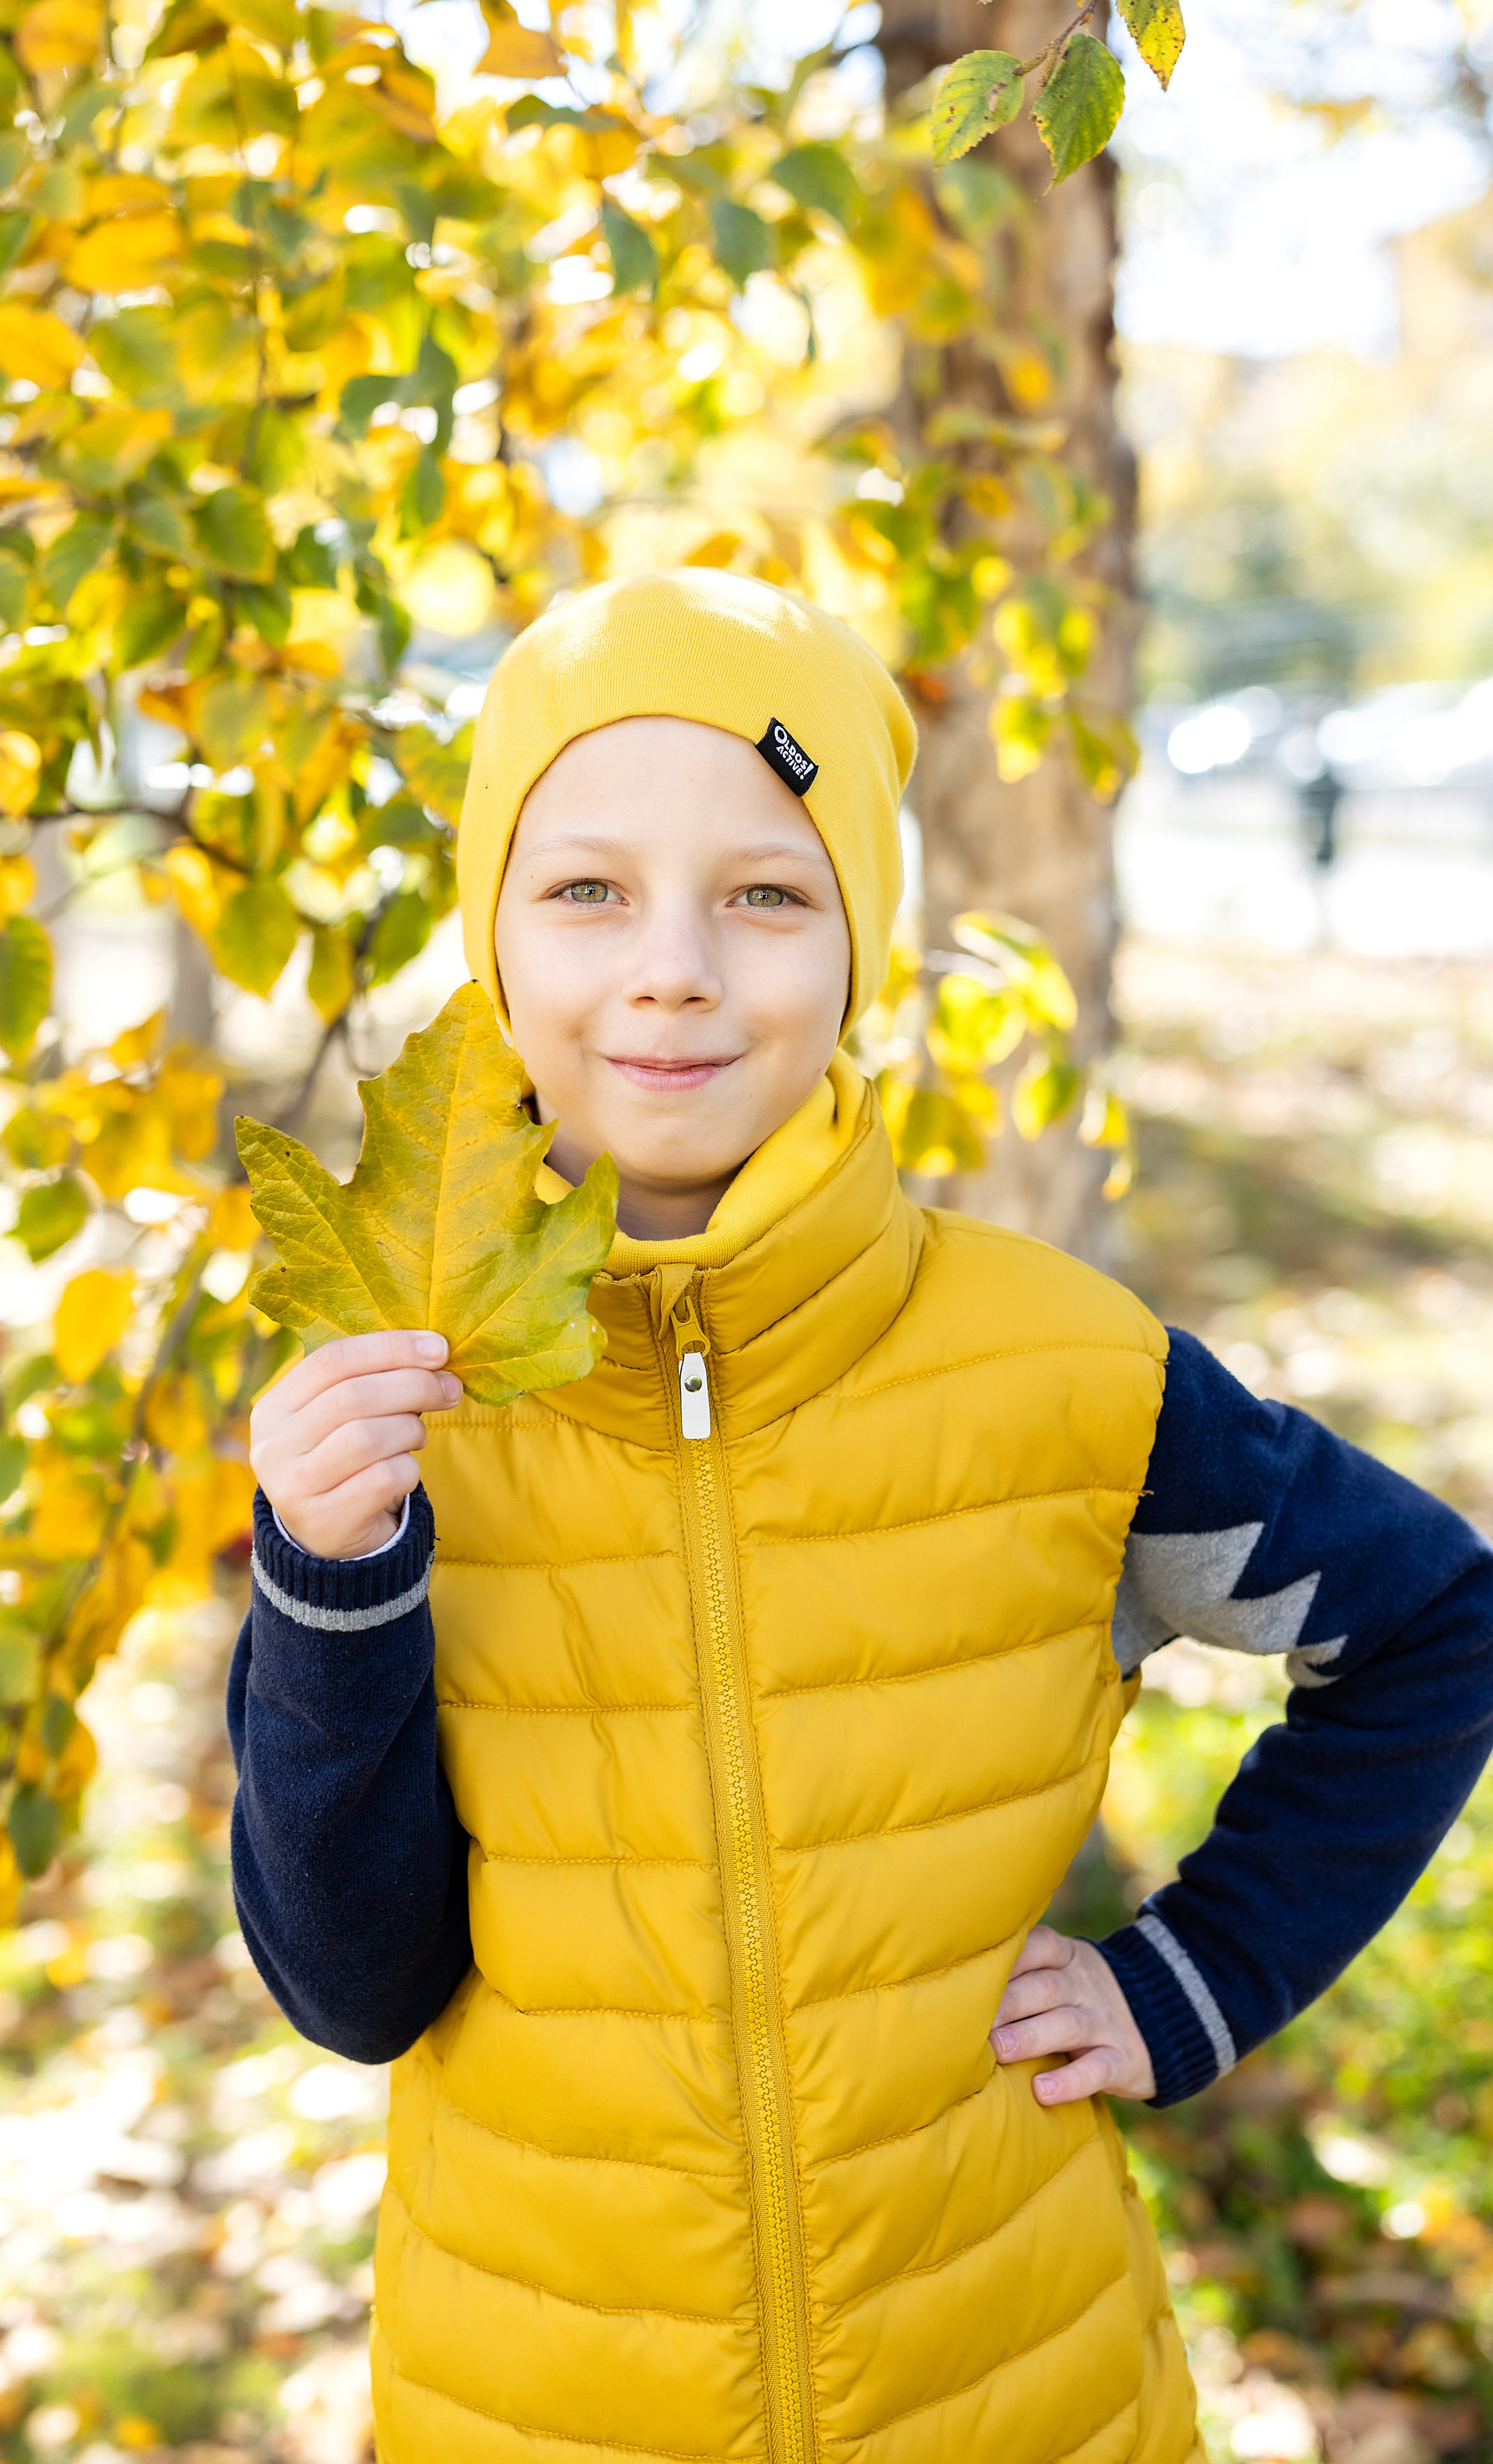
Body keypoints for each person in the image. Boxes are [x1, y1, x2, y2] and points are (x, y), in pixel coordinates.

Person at [228, 571, 1493, 2464]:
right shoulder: (399, 1418)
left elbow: (1434, 1623)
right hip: (542, 2404)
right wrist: (331, 1587)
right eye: (587, 889)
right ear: (493, 935)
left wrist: (1204, 1975)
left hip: (1012, 2385)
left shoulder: (1065, 1373)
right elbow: (355, 1989)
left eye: (766, 891)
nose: (674, 965)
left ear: (860, 944)